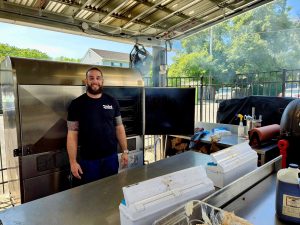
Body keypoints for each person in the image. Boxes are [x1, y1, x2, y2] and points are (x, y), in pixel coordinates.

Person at [66, 67, 128, 184]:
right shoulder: (76, 104)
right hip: (89, 161)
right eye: (91, 78)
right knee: (92, 194)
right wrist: (73, 162)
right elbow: (72, 135)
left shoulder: (112, 101)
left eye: (98, 78)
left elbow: (119, 128)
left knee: (111, 189)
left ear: (102, 81)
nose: (95, 81)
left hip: (111, 157)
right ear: (86, 81)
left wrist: (125, 151)